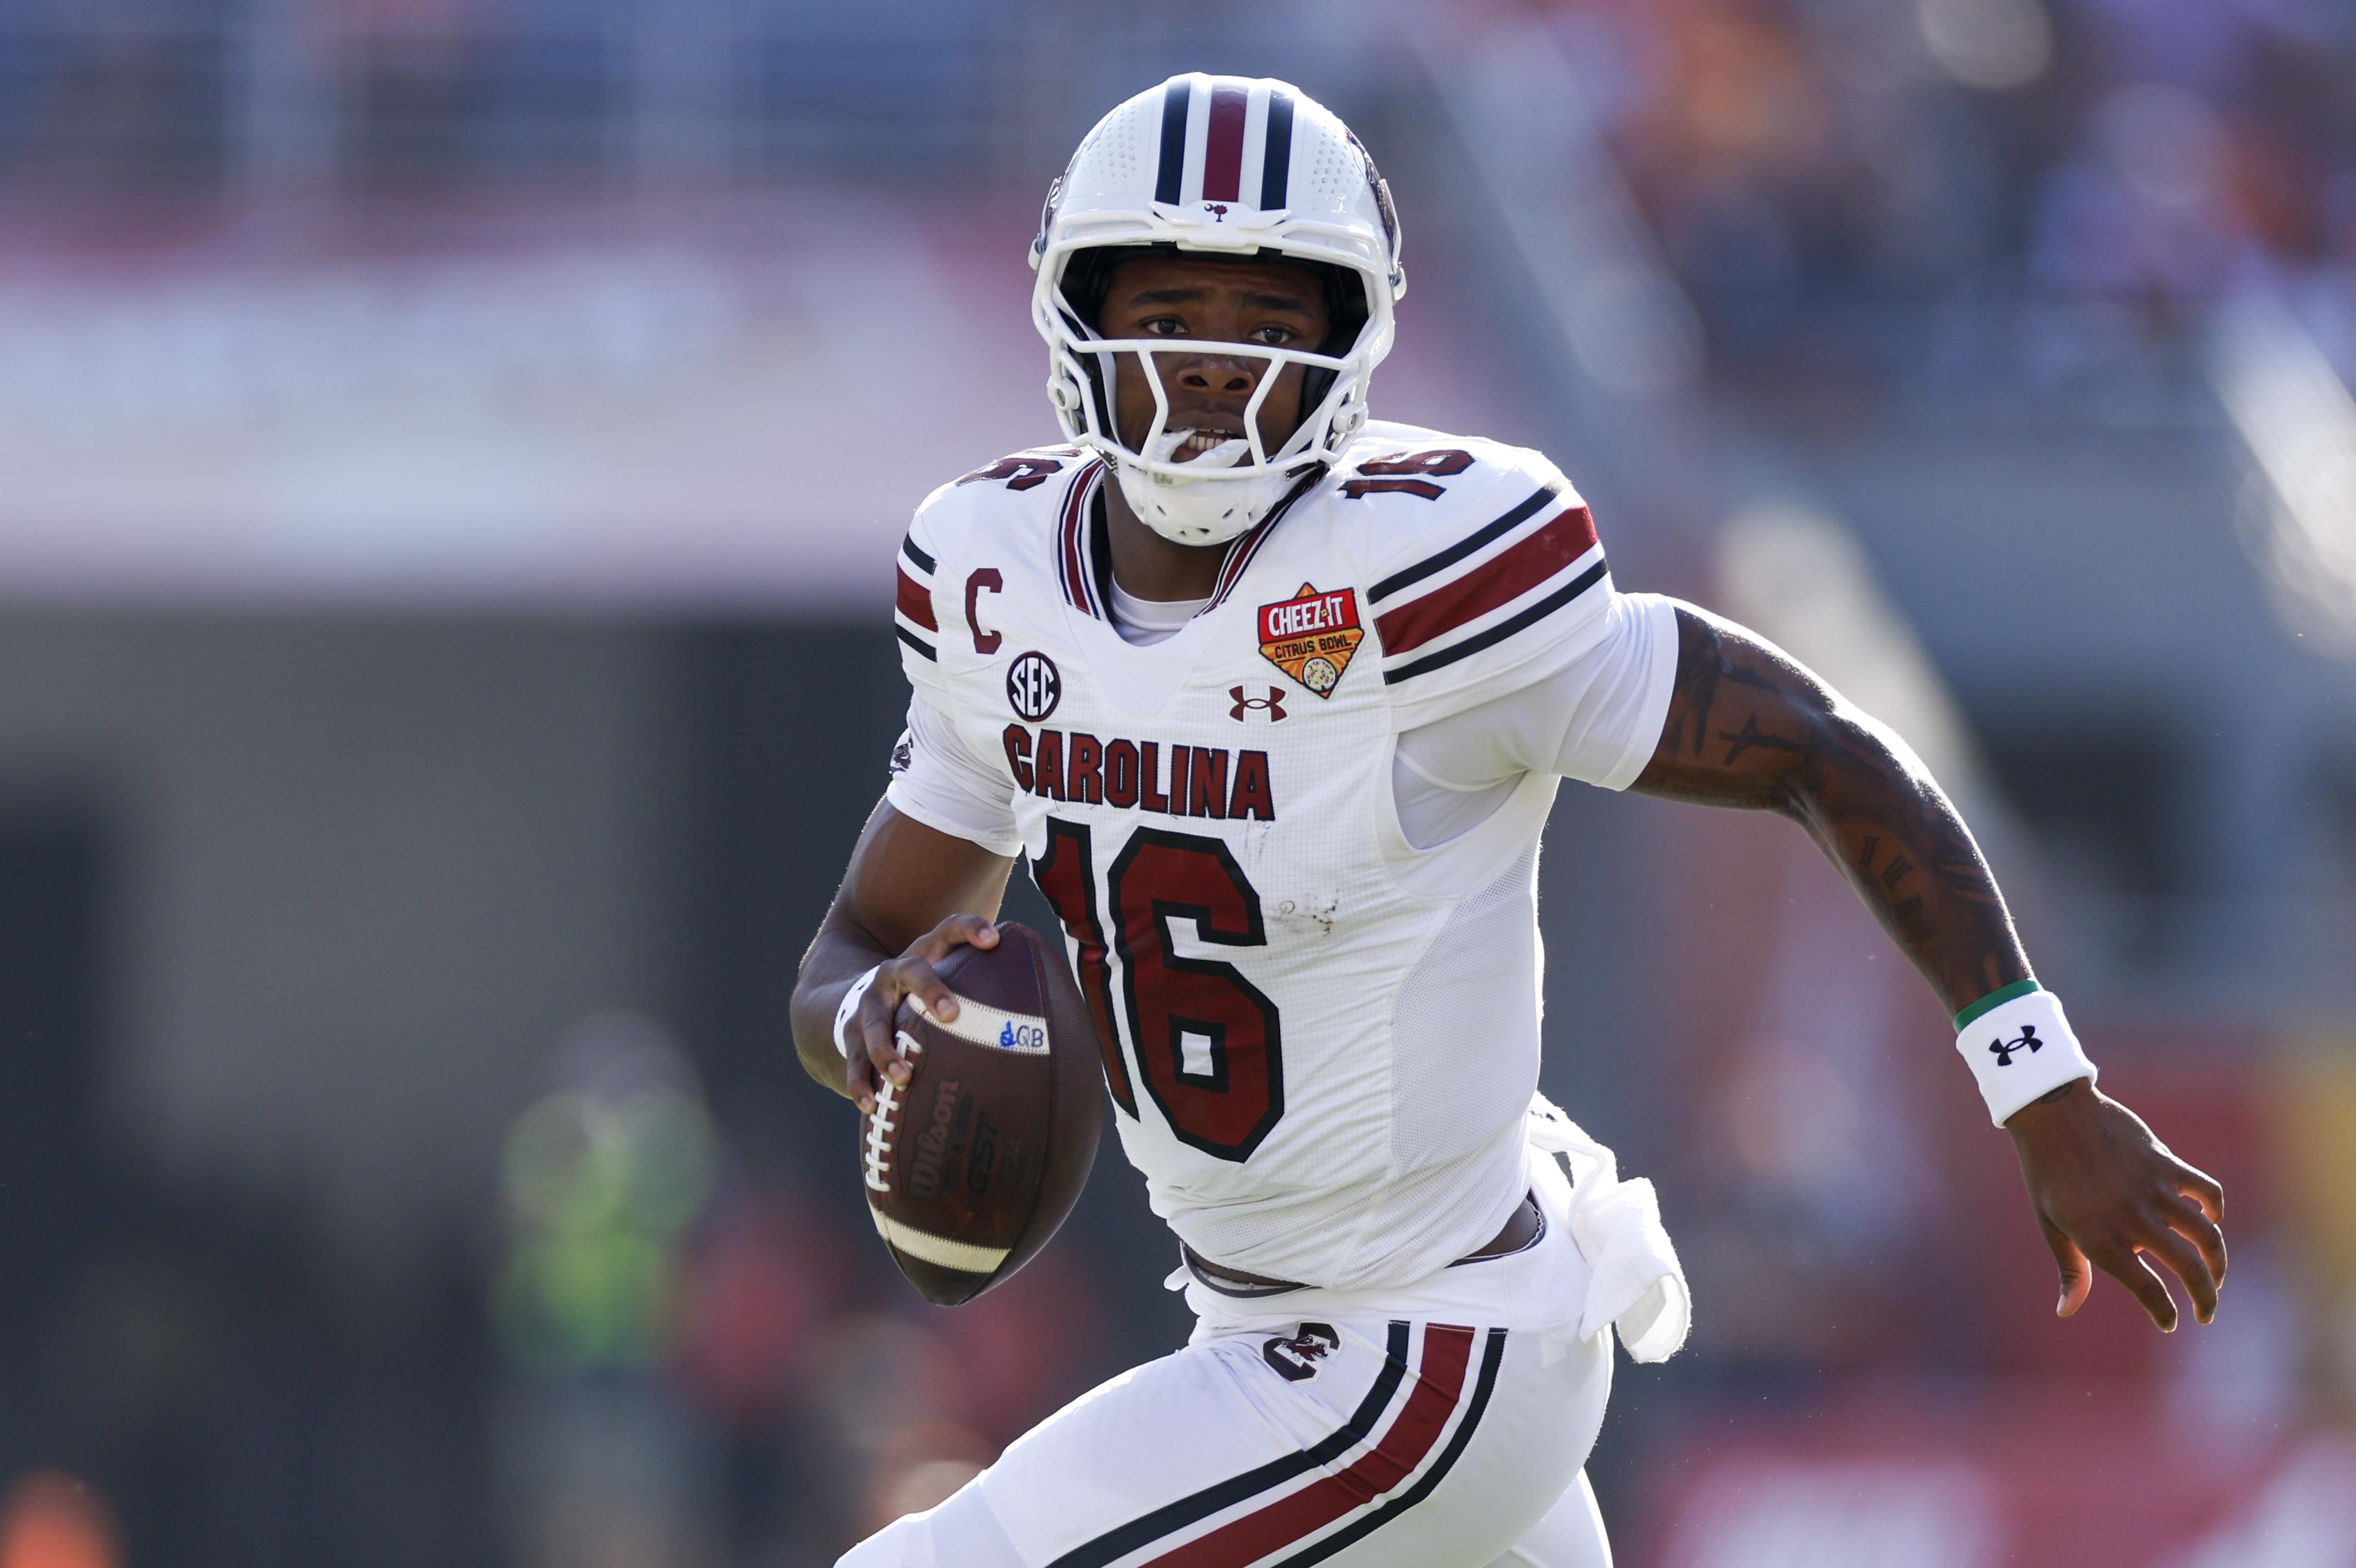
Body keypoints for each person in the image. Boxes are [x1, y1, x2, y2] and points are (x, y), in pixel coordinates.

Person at [792, 74, 2226, 1567]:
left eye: (1268, 323)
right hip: (1281, 1317)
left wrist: (2036, 1078)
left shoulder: (1424, 570)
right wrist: (868, 1022)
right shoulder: (991, 573)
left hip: (1422, 1348)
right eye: (1172, 309)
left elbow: (1816, 746)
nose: (1214, 365)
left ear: (1350, 343)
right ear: (1075, 313)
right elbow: (854, 946)